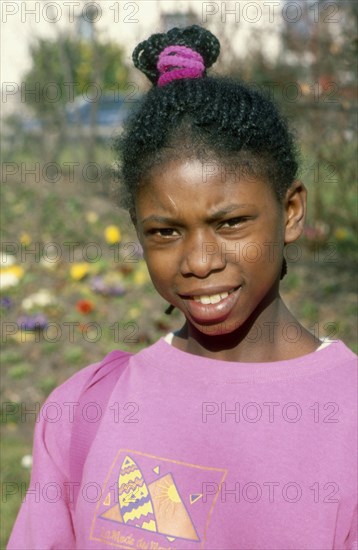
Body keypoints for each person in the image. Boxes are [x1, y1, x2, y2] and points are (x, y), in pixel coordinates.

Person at [8, 25, 357, 550]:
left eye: (231, 222)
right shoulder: (84, 413)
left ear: (290, 212)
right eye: (165, 231)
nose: (198, 261)